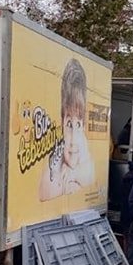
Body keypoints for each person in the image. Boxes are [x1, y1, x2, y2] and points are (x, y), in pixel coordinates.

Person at [39, 59, 94, 200]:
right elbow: (44, 192)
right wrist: (69, 184)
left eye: (78, 124)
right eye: (69, 124)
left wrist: (73, 174)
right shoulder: (55, 149)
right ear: (62, 122)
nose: (74, 140)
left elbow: (90, 173)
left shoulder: (82, 143)